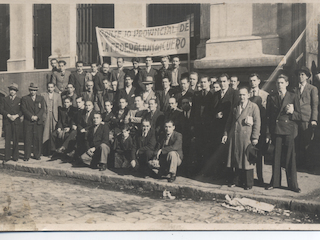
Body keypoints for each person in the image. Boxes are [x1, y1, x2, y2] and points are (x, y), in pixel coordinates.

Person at [265, 74, 302, 193]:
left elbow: (300, 115)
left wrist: (292, 112)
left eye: (282, 83)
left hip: (288, 131)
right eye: (278, 83)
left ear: (287, 83)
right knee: (276, 157)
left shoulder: (293, 96)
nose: (279, 85)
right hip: (276, 130)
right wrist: (268, 133)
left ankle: (293, 185)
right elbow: (268, 117)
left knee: (290, 158)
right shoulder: (272, 97)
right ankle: (275, 182)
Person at [222, 87, 261, 190]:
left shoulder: (253, 107)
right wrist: (226, 134)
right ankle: (236, 181)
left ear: (248, 95)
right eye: (240, 95)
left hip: (246, 138)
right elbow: (229, 121)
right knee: (236, 159)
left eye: (244, 95)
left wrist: (255, 137)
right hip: (235, 136)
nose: (242, 97)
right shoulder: (235, 107)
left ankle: (248, 183)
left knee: (246, 160)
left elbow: (257, 123)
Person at [293, 67, 318, 168]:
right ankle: (298, 163)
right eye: (299, 74)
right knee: (296, 141)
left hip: (306, 119)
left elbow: (314, 105)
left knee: (306, 141)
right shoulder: (294, 89)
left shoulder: (312, 89)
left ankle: (308, 164)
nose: (300, 76)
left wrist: (314, 119)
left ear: (307, 76)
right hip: (295, 118)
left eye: (302, 75)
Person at [190, 76, 214, 172]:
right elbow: (193, 110)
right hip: (198, 125)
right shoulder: (197, 94)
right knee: (199, 147)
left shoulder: (213, 94)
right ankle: (199, 169)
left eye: (205, 82)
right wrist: (192, 124)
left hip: (209, 126)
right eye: (202, 82)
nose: (203, 84)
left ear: (209, 83)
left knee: (208, 148)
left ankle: (208, 170)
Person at [249, 73, 269, 185]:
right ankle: (250, 177)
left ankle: (260, 178)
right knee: (250, 153)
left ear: (259, 81)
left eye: (254, 80)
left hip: (261, 127)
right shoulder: (246, 95)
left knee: (259, 154)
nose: (253, 82)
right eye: (251, 80)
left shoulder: (265, 95)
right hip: (250, 128)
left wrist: (266, 133)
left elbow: (266, 115)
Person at [21, 83, 45, 161]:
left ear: (36, 91)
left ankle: (37, 155)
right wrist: (31, 116)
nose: (33, 92)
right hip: (28, 122)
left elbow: (42, 109)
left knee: (37, 139)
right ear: (29, 90)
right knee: (28, 139)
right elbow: (24, 109)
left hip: (38, 122)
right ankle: (26, 156)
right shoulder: (25, 98)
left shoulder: (41, 98)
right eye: (31, 90)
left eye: (34, 90)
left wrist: (37, 116)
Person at [0, 83, 22, 162]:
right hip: (7, 121)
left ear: (16, 91)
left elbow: (22, 111)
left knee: (15, 139)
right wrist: (8, 115)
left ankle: (15, 156)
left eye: (14, 90)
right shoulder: (4, 99)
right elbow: (1, 109)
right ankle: (7, 157)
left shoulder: (19, 100)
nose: (12, 91)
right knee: (8, 139)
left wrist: (16, 116)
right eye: (11, 90)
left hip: (16, 121)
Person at [41, 82, 62, 156]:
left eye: (51, 87)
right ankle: (45, 151)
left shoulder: (57, 95)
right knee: (46, 133)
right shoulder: (43, 95)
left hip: (54, 116)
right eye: (49, 87)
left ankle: (54, 151)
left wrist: (59, 118)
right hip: (46, 116)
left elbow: (60, 107)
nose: (50, 88)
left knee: (54, 133)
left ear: (54, 87)